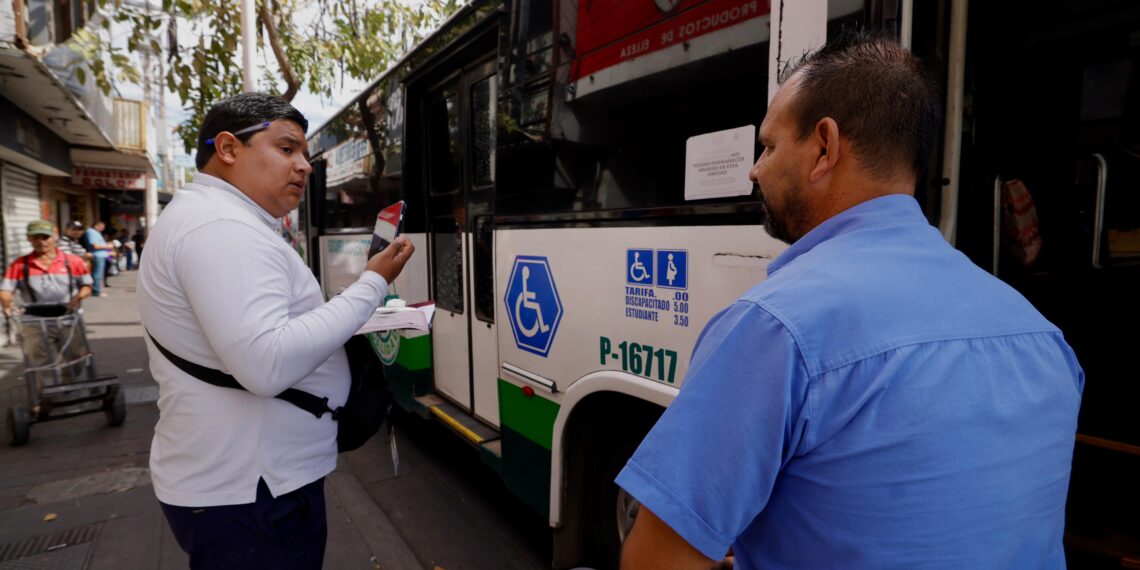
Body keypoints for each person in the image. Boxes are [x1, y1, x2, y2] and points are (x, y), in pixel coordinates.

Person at [616, 33, 1084, 570]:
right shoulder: (1043, 337)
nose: (754, 169)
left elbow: (655, 560)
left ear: (824, 147)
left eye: (768, 147)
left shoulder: (775, 329)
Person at [137, 92, 414, 569]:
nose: (305, 166)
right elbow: (266, 365)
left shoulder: (217, 220)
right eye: (287, 149)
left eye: (304, 153)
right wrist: (372, 284)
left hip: (245, 486)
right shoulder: (221, 227)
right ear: (227, 148)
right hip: (254, 495)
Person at [0, 221, 93, 386]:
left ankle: (66, 385)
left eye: (45, 237)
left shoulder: (73, 261)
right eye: (36, 237)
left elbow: (87, 286)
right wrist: (7, 305)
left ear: (54, 237)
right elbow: (6, 290)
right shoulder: (20, 265)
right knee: (39, 360)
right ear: (29, 239)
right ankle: (45, 396)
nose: (41, 241)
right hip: (35, 320)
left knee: (76, 357)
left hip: (67, 317)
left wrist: (77, 298)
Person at [79, 220, 114, 297]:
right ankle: (96, 291)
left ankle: (96, 289)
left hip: (100, 255)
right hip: (98, 255)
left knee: (98, 274)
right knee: (97, 274)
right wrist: (107, 246)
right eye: (101, 227)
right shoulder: (92, 232)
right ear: (96, 225)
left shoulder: (95, 232)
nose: (102, 229)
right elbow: (95, 246)